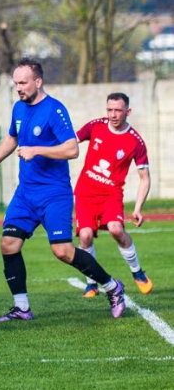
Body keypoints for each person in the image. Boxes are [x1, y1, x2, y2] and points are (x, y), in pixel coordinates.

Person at [0, 57, 127, 322]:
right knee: (8, 245)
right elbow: (12, 137)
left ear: (38, 81)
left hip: (53, 194)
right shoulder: (19, 108)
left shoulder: (55, 110)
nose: (19, 88)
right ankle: (21, 308)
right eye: (15, 83)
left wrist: (37, 150)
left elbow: (72, 148)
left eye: (23, 83)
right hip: (25, 194)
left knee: (63, 251)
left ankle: (112, 286)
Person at [74, 93, 152, 298]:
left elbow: (144, 178)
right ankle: (91, 283)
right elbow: (70, 142)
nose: (113, 115)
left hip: (111, 195)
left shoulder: (135, 142)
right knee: (85, 235)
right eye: (109, 110)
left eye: (118, 110)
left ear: (128, 111)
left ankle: (138, 272)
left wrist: (137, 209)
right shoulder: (95, 126)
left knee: (116, 229)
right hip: (85, 193)